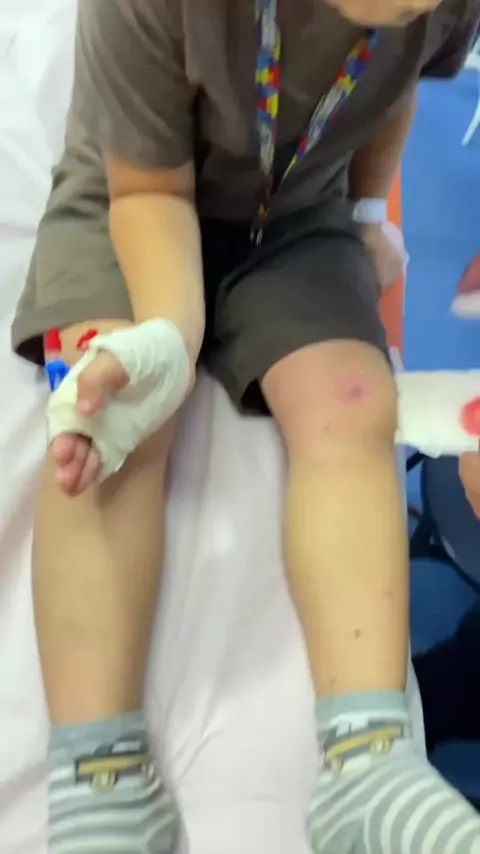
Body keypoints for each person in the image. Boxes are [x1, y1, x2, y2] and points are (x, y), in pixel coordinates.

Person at [11, 0, 480, 852]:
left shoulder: (438, 10)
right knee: (107, 420)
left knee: (354, 403)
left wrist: (367, 212)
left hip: (295, 209)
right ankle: (100, 773)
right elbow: (148, 192)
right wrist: (168, 341)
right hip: (134, 195)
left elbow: (397, 82)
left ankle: (368, 765)